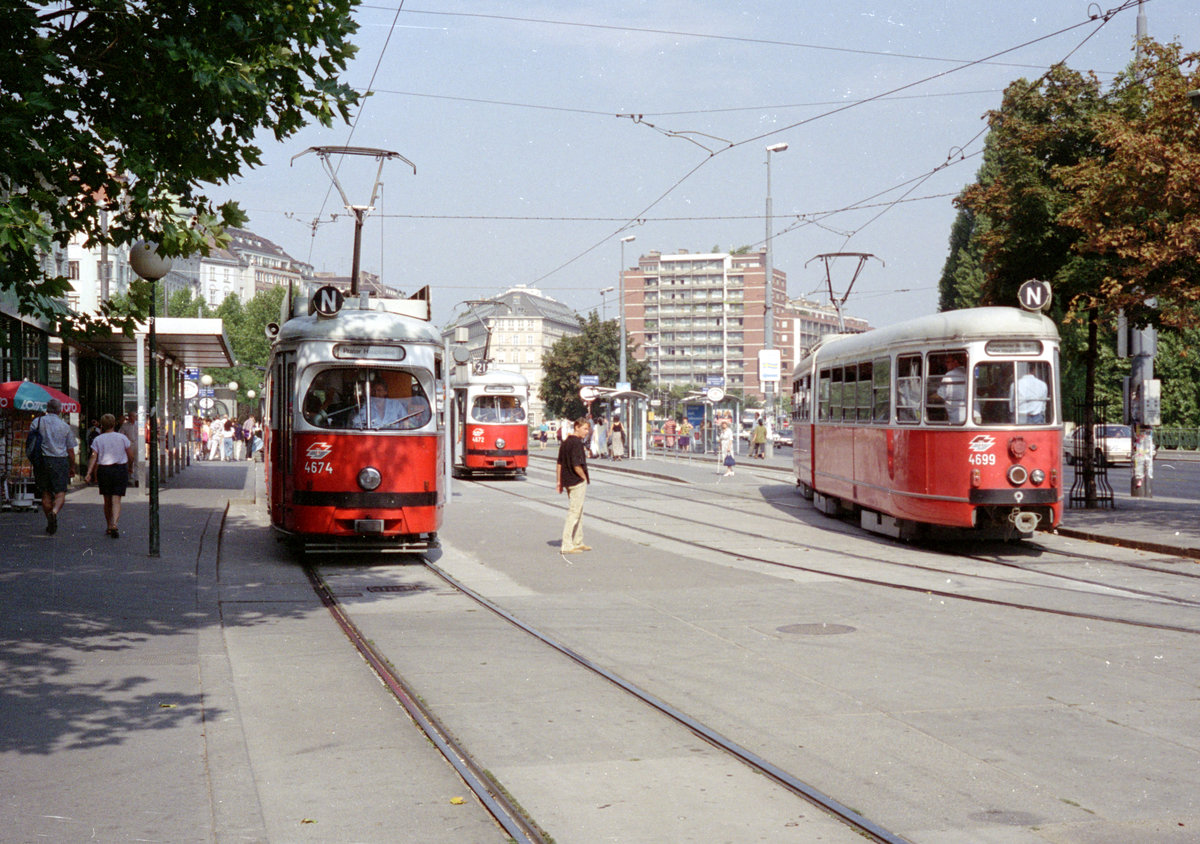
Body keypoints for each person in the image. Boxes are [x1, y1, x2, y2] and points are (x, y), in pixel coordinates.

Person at [29, 397, 77, 535]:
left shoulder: (37, 422)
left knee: (45, 492)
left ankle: (48, 517)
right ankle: (54, 512)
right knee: (60, 492)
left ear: (47, 409)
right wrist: (72, 466)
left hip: (42, 461)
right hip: (59, 461)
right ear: (59, 410)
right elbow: (70, 451)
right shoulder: (65, 426)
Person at [84, 413, 134, 538]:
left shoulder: (98, 439)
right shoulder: (122, 438)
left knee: (107, 500)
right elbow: (130, 455)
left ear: (102, 425)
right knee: (116, 499)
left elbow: (93, 456)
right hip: (119, 469)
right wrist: (130, 467)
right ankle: (115, 524)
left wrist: (89, 473)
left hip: (104, 470)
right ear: (114, 424)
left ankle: (108, 525)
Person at [555, 417, 591, 555]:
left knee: (578, 511)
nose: (587, 432)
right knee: (574, 512)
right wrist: (584, 477)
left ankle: (578, 541)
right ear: (577, 427)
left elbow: (559, 463)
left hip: (567, 481)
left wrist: (559, 482)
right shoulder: (577, 443)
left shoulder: (565, 442)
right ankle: (567, 544)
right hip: (576, 481)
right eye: (585, 428)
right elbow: (577, 465)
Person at [937, 354, 968, 424]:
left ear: (955, 362)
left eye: (947, 362)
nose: (946, 365)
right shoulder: (969, 373)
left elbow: (940, 396)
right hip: (975, 414)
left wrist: (927, 397)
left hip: (958, 418)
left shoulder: (950, 375)